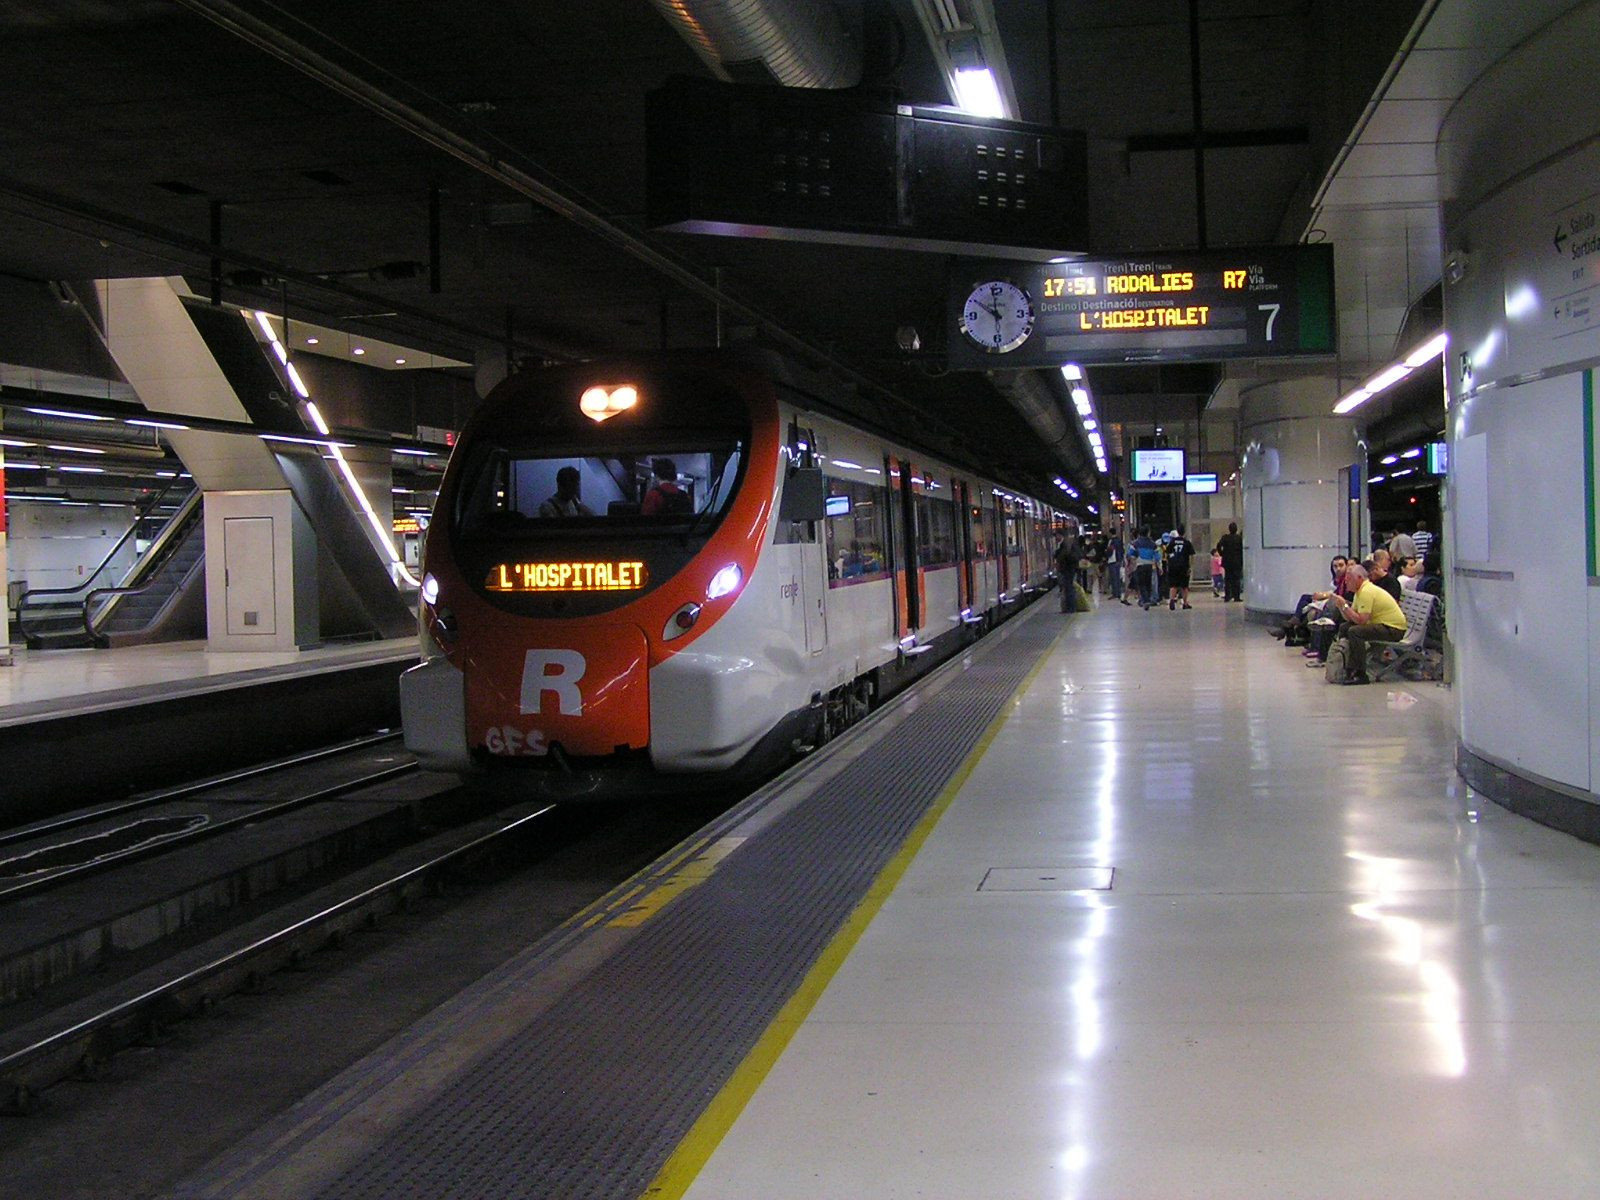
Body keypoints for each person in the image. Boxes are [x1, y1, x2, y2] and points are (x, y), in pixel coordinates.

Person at [1326, 562, 1408, 683]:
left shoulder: (1366, 592)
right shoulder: (1359, 592)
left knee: (1355, 632)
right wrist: (1342, 607)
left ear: (1359, 578)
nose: (1346, 582)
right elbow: (1350, 619)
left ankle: (1360, 673)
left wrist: (1344, 606)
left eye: (1349, 579)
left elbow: (1361, 621)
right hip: (1382, 625)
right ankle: (1346, 664)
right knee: (1345, 627)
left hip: (1393, 629)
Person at [1128, 527, 1159, 609]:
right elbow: (1157, 556)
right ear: (1148, 533)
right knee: (1148, 583)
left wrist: (1132, 565)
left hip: (1140, 565)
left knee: (1141, 584)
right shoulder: (1153, 544)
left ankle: (1145, 600)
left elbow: (1131, 555)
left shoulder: (1135, 543)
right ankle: (1147, 599)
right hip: (1150, 565)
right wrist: (1159, 566)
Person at [1166, 524, 1196, 610]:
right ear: (1184, 532)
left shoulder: (1172, 542)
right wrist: (1190, 567)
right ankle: (1185, 603)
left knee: (1173, 585)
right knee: (1184, 586)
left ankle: (1172, 600)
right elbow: (1191, 555)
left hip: (1173, 565)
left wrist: (1169, 563)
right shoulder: (1187, 542)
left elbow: (1167, 552)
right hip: (1184, 566)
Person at [1216, 522, 1244, 601]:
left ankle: (1228, 596)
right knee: (1236, 579)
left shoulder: (1225, 537)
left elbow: (1218, 545)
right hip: (1237, 561)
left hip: (1227, 561)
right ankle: (1236, 597)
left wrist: (1221, 553)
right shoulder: (1239, 538)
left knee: (1228, 579)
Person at [1055, 534, 1081, 613]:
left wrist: (1057, 556)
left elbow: (1063, 555)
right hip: (1069, 569)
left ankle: (1070, 608)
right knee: (1068, 588)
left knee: (1069, 588)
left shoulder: (1065, 545)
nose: (1055, 538)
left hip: (1068, 569)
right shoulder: (1067, 545)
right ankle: (1070, 607)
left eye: (1056, 536)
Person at [1105, 530, 1124, 601]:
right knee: (1118, 577)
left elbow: (1109, 550)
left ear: (1110, 533)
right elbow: (1122, 550)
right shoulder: (1119, 540)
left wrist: (1106, 554)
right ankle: (1118, 593)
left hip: (1112, 560)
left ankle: (1115, 593)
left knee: (1113, 578)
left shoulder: (1111, 541)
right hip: (1118, 560)